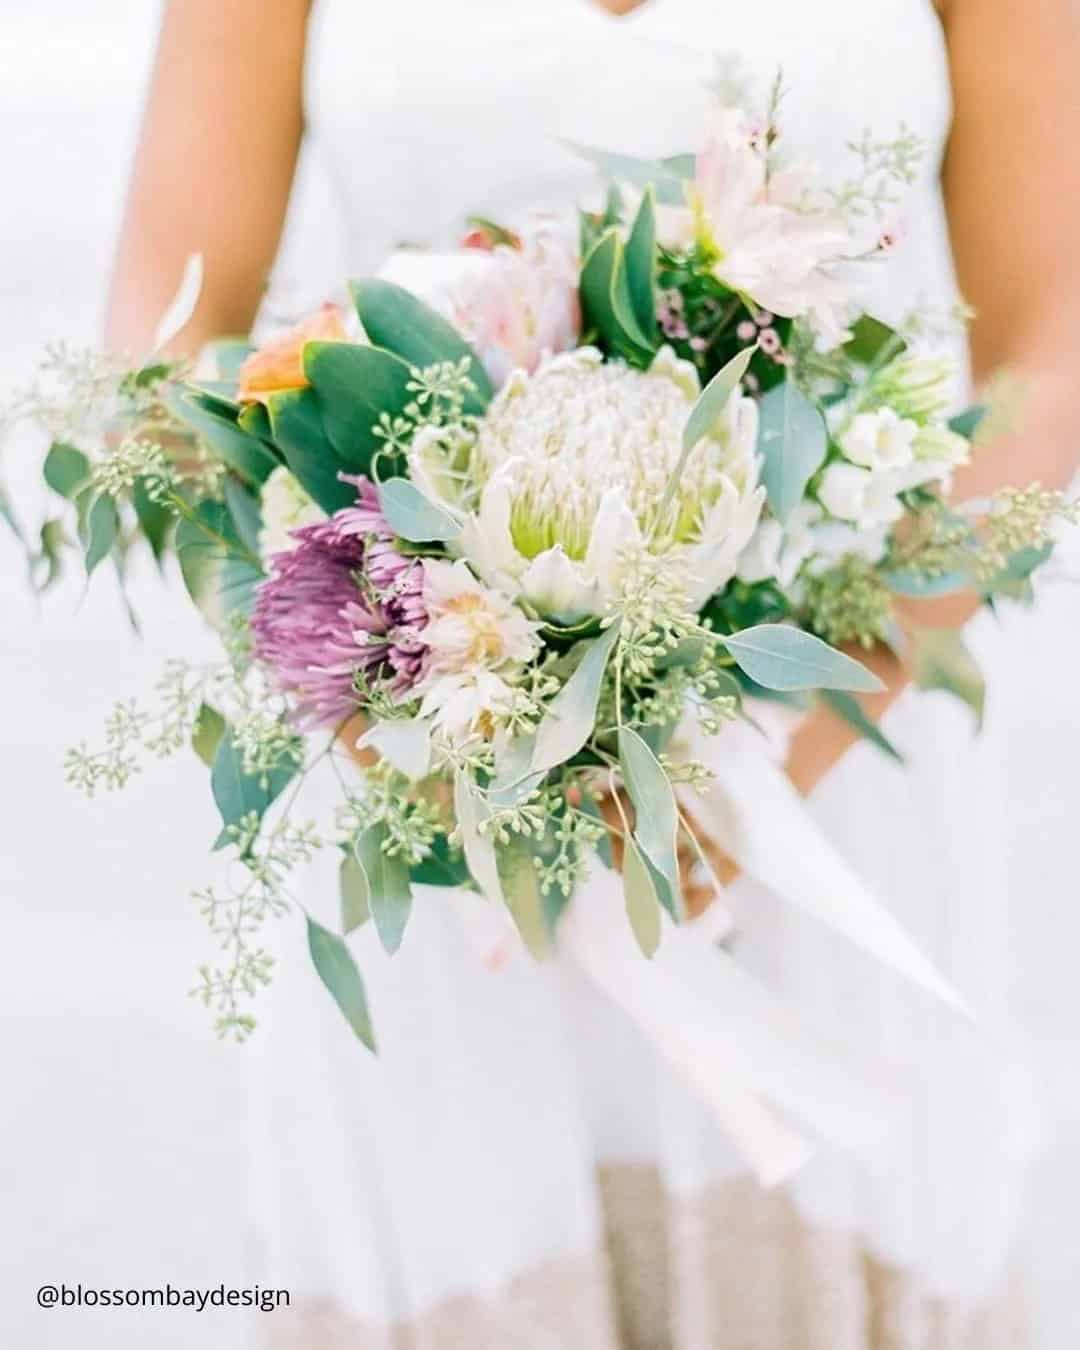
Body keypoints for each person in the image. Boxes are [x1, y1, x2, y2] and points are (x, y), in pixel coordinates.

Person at [107, 1, 1080, 1346]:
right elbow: (163, 340)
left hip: (835, 781)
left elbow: (1050, 344)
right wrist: (395, 723)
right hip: (427, 798)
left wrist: (786, 747)